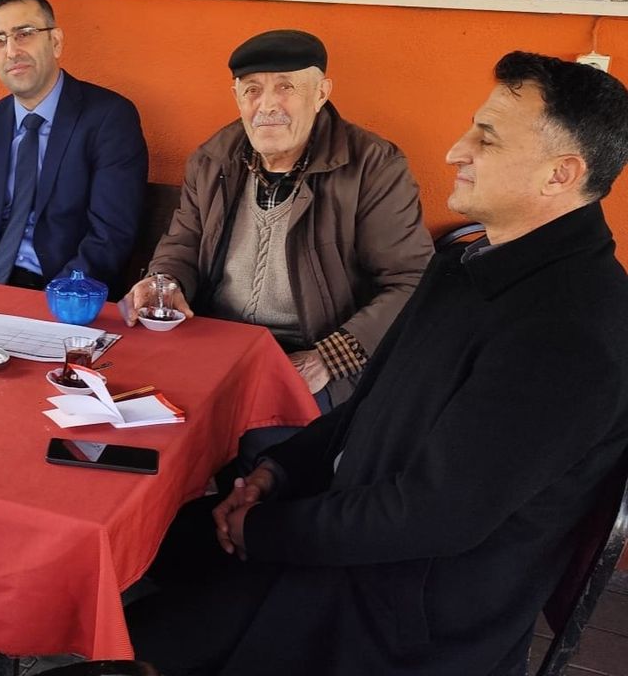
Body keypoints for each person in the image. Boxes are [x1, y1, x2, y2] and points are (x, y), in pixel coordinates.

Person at [125, 52, 628, 676]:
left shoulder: (571, 332)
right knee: (160, 538)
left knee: (143, 631)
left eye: (487, 138)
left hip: (401, 616)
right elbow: (369, 406)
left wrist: (264, 530)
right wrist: (277, 473)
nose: (456, 151)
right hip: (348, 532)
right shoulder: (469, 263)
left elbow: (431, 516)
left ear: (561, 174)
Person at [127, 30, 431, 409]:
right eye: (252, 90)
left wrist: (328, 359)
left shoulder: (374, 167)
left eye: (286, 87)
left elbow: (411, 281)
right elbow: (182, 244)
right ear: (236, 97)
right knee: (130, 408)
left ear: (321, 94)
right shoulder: (212, 160)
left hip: (315, 353)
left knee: (257, 437)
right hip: (215, 342)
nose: (267, 105)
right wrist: (165, 281)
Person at [0, 0, 148, 291]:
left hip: (59, 291)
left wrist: (58, 298)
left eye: (24, 34)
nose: (12, 51)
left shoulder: (108, 119)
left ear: (55, 42)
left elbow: (110, 236)